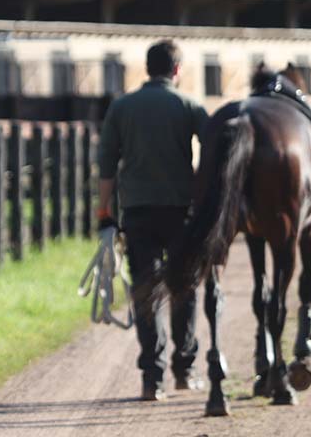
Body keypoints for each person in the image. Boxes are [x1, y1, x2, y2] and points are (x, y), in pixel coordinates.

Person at [97, 39, 209, 402]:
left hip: (138, 212)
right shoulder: (189, 106)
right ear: (177, 70)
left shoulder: (122, 107)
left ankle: (152, 378)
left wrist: (104, 212)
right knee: (184, 288)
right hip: (180, 212)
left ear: (147, 68)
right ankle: (185, 369)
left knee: (145, 292)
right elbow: (212, 157)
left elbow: (106, 166)